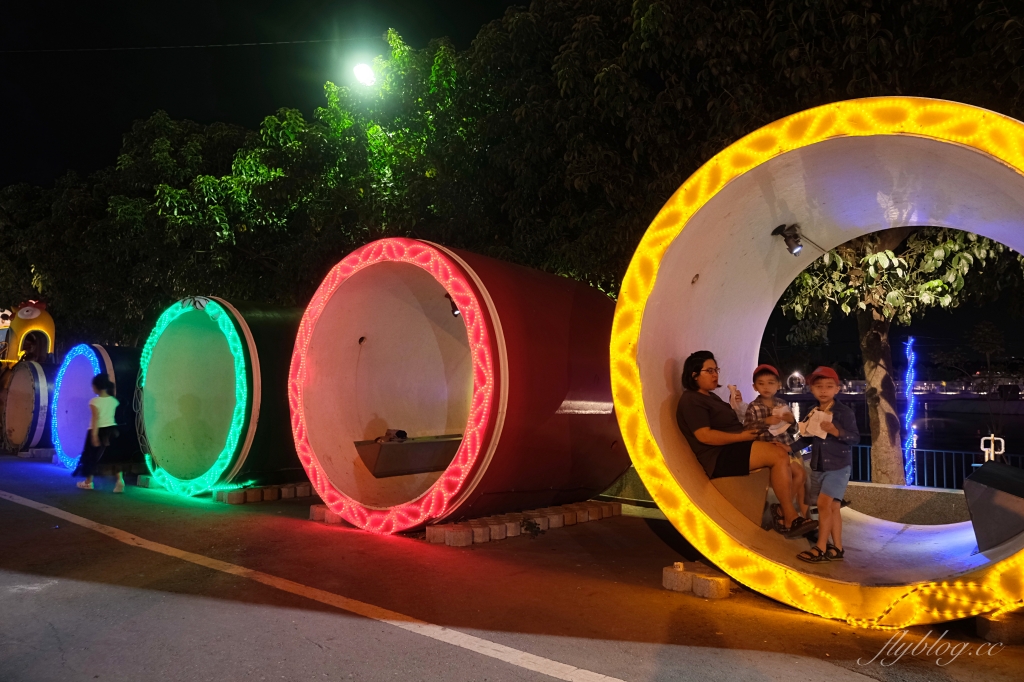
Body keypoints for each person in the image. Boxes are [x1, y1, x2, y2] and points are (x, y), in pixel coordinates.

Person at [676, 351, 817, 538]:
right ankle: (789, 517)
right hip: (720, 456)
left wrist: (736, 407)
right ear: (694, 374)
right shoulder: (691, 399)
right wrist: (742, 437)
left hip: (735, 448)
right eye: (709, 370)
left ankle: (790, 512)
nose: (715, 374)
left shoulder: (712, 398)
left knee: (792, 465)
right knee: (778, 455)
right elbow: (704, 436)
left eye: (716, 369)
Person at [791, 367, 858, 563]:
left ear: (837, 389)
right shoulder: (812, 411)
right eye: (818, 386)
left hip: (838, 466)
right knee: (833, 508)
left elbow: (854, 438)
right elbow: (806, 439)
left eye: (829, 386)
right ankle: (837, 548)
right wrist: (787, 448)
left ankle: (820, 547)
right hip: (819, 466)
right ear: (811, 389)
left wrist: (836, 431)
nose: (823, 390)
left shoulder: (844, 413)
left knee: (823, 505)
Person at [743, 364, 808, 518]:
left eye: (771, 383)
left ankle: (786, 511)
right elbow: (747, 431)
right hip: (768, 451)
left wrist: (791, 421)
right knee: (799, 473)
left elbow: (793, 431)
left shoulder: (782, 405)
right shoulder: (753, 407)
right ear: (755, 387)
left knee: (802, 476)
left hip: (786, 448)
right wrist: (766, 421)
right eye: (761, 383)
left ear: (778, 385)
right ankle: (786, 511)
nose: (766, 387)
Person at [73, 373, 123, 492]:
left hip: (99, 430)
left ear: (96, 387)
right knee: (113, 458)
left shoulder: (94, 401)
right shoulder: (114, 401)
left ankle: (88, 482)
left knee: (91, 457)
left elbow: (95, 419)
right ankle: (120, 481)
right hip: (112, 430)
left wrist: (94, 435)